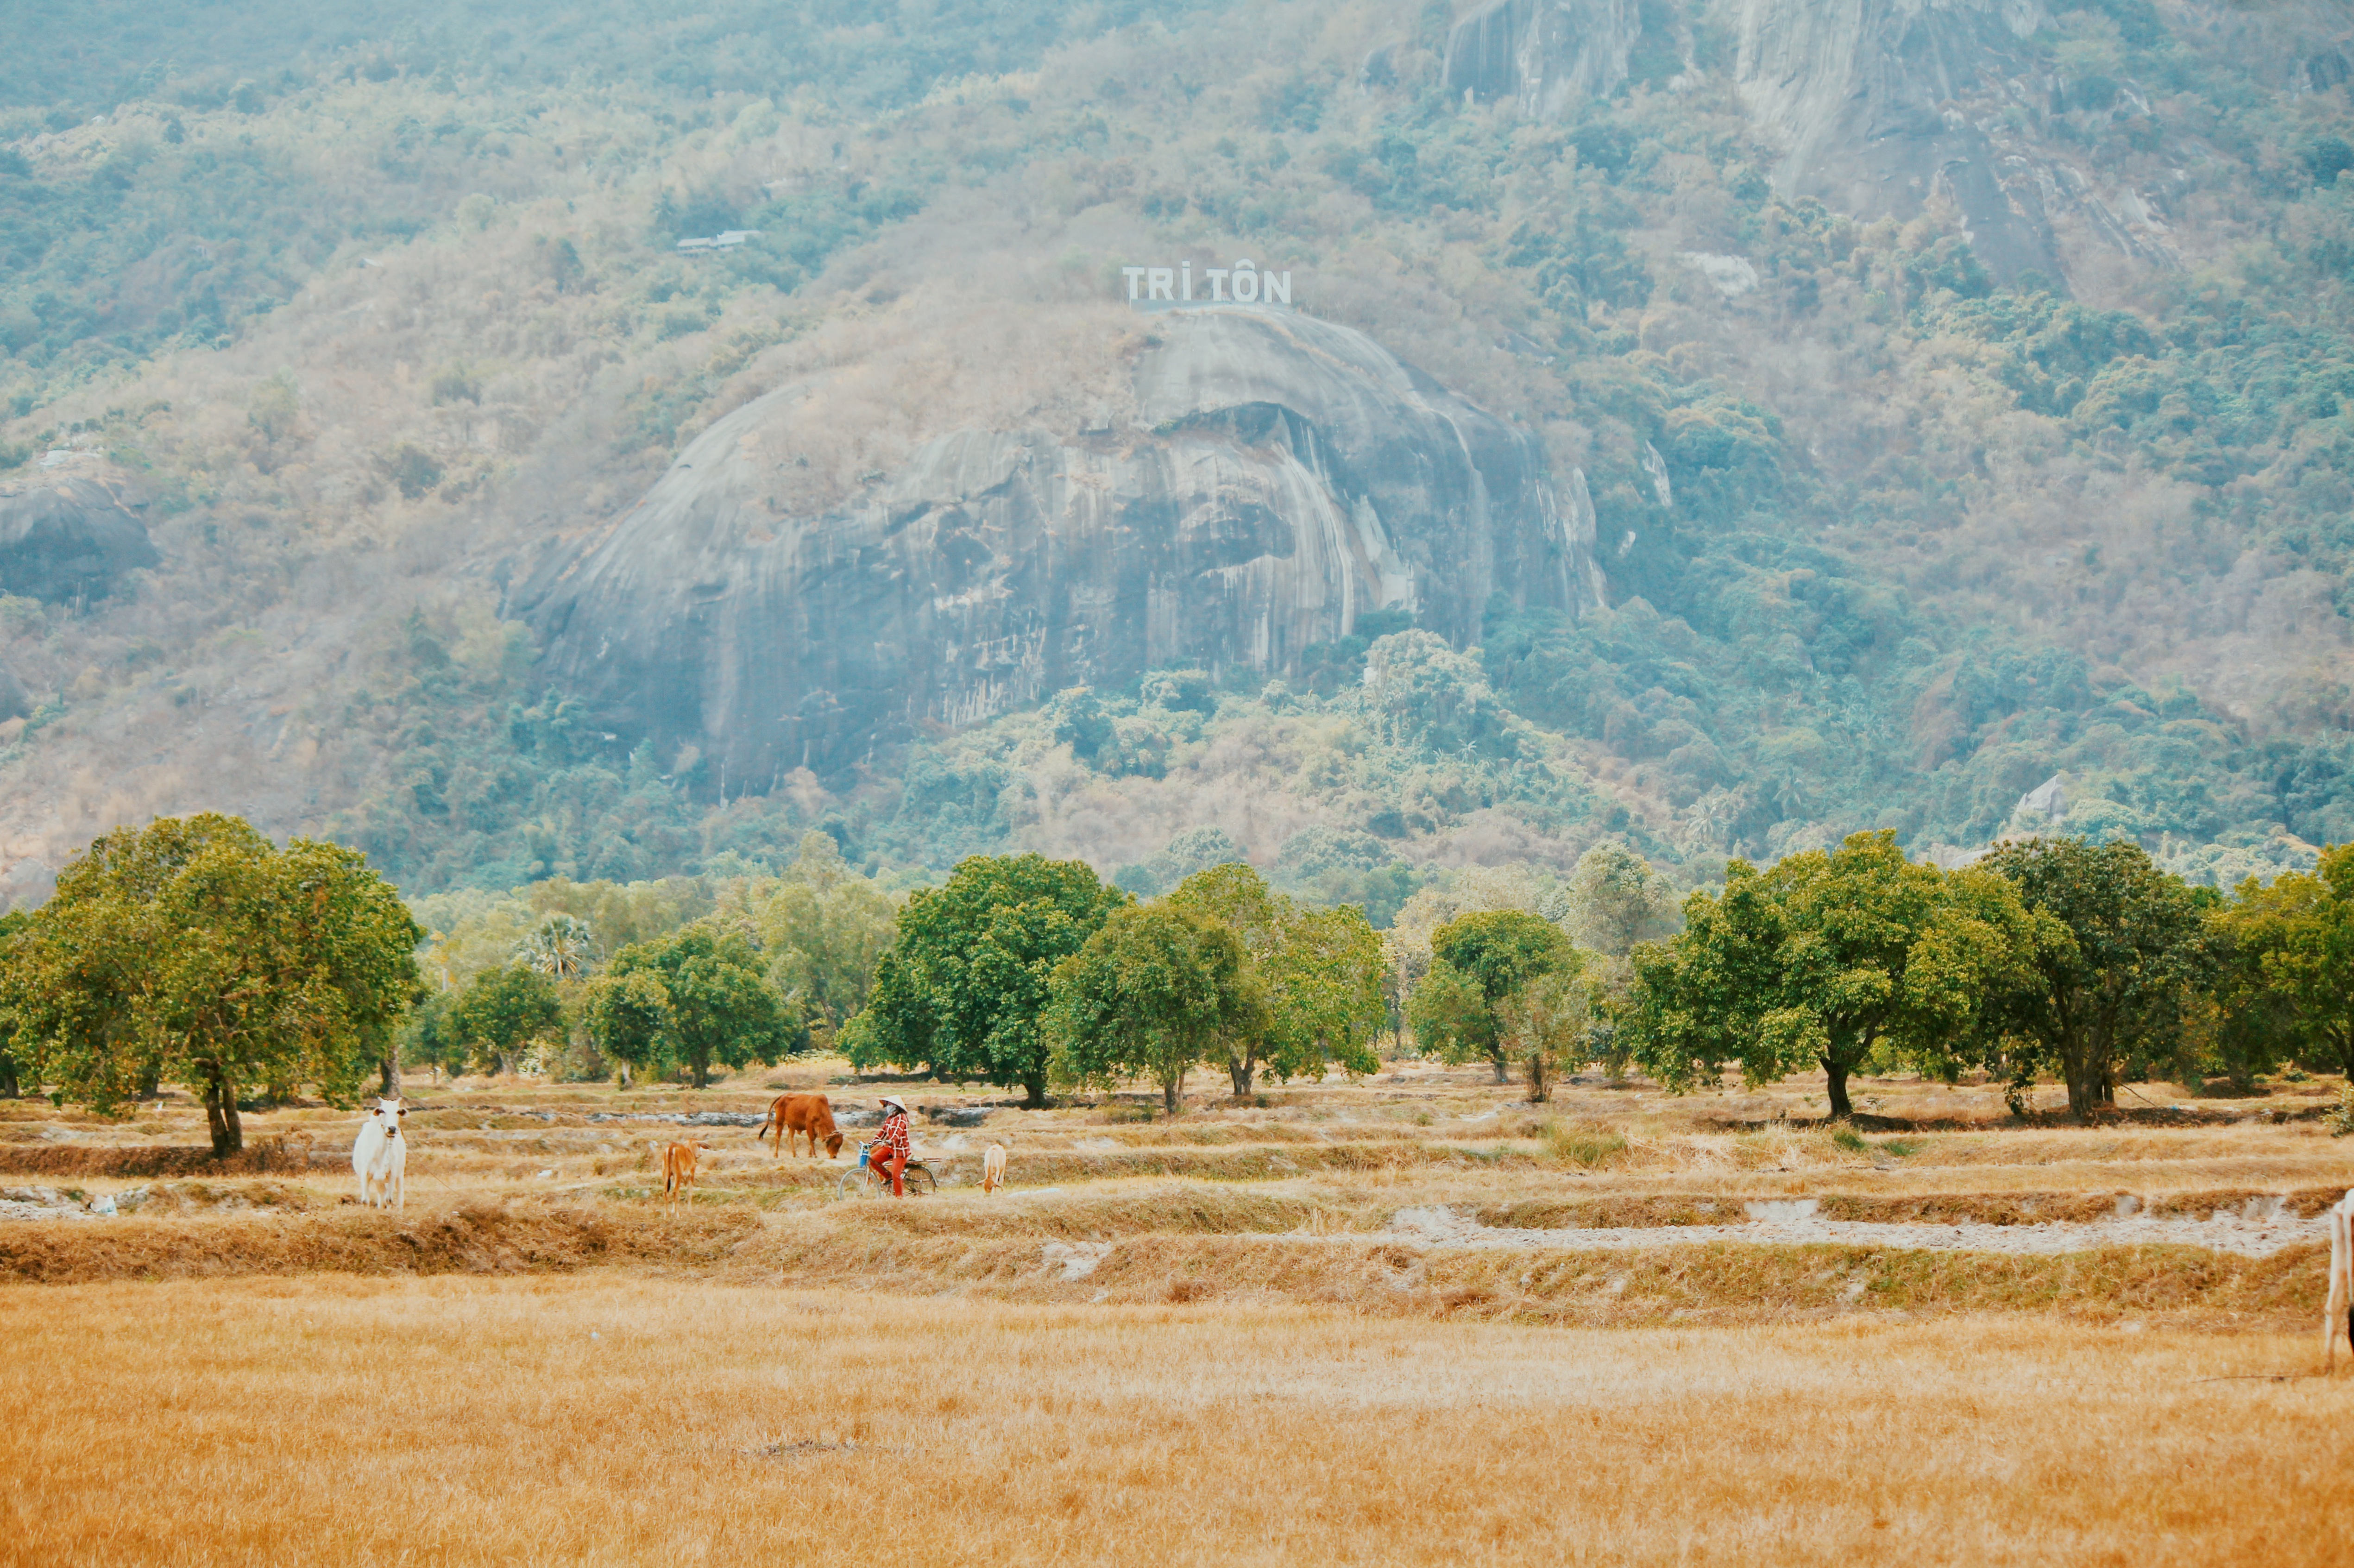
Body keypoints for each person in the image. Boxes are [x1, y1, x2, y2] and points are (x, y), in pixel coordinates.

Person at [873, 1095, 912, 1196]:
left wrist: (892, 1141)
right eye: (887, 1105)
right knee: (873, 1160)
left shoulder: (902, 1118)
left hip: (900, 1151)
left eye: (889, 1104)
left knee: (896, 1175)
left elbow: (897, 1133)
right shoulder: (890, 1118)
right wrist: (872, 1143)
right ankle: (888, 1176)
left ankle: (899, 1198)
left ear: (896, 1106)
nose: (888, 1107)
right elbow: (882, 1132)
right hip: (890, 1148)